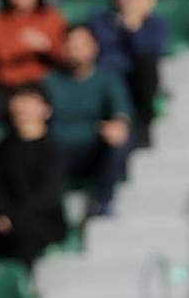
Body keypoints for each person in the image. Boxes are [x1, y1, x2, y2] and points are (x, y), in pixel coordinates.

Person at [42, 24, 133, 216]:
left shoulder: (109, 79)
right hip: (57, 150)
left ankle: (102, 201)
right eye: (70, 44)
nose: (75, 49)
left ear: (94, 47)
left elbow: (122, 112)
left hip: (93, 148)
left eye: (81, 44)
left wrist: (118, 124)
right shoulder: (49, 81)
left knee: (121, 140)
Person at [0, 85, 66, 266]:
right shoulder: (2, 148)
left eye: (30, 101)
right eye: (19, 101)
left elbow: (49, 196)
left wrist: (13, 218)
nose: (22, 107)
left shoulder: (54, 149)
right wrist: (1, 215)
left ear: (46, 110)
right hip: (5, 220)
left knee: (24, 233)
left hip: (42, 222)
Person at [89, 0, 166, 148]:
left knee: (147, 68)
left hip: (136, 82)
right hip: (109, 74)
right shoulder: (100, 20)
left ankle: (143, 126)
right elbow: (103, 51)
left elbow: (147, 51)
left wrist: (134, 28)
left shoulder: (155, 23)